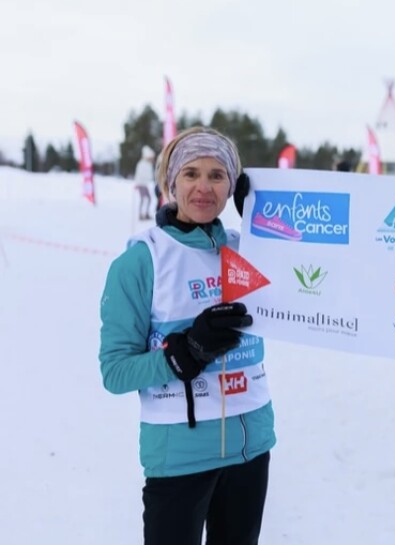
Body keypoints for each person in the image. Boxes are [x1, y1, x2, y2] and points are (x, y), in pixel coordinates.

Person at [99, 127, 274, 545]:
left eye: (218, 175)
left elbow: (320, 269)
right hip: (178, 455)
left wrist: (265, 208)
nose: (203, 187)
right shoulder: (142, 260)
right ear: (171, 181)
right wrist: (185, 352)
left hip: (251, 446)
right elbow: (115, 372)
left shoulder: (249, 249)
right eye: (191, 173)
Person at [134, 145, 156, 220]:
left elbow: (150, 175)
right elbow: (138, 174)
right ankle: (141, 214)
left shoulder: (148, 164)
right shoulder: (141, 164)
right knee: (143, 199)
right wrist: (136, 183)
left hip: (145, 184)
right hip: (141, 184)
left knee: (148, 198)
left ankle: (146, 213)